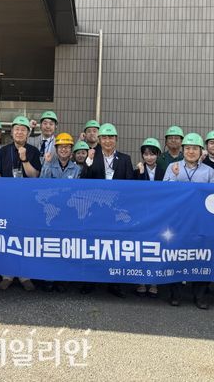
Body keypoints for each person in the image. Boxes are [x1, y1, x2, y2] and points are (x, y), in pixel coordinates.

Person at [163, 133, 214, 308]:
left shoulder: (209, 171)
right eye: (187, 148)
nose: (191, 151)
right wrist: (175, 177)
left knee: (201, 255)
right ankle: (175, 294)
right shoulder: (172, 167)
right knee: (176, 254)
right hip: (177, 219)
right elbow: (164, 192)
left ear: (201, 151)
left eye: (195, 148)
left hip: (201, 220)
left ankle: (200, 296)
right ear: (183, 150)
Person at [80, 123, 133, 298]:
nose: (108, 141)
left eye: (111, 137)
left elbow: (130, 185)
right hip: (95, 210)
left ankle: (114, 283)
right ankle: (89, 281)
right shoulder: (92, 156)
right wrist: (88, 161)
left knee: (114, 247)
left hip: (116, 211)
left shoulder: (125, 159)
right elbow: (83, 181)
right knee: (93, 246)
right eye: (104, 138)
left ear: (116, 139)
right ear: (99, 140)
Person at [0, 116, 42, 291]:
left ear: (28, 133)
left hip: (27, 202)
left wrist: (24, 159)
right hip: (7, 202)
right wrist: (0, 195)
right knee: (6, 237)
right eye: (17, 129)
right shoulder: (3, 151)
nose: (19, 132)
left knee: (25, 237)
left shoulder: (33, 151)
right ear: (12, 132)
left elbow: (34, 175)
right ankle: (7, 275)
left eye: (23, 129)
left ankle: (25, 276)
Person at [39, 132, 79, 293]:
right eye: (61, 147)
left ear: (71, 150)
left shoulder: (76, 169)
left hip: (68, 214)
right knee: (50, 247)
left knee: (66, 247)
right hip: (51, 212)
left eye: (67, 147)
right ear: (56, 149)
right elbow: (42, 185)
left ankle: (63, 279)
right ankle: (48, 279)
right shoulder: (49, 164)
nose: (64, 150)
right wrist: (47, 164)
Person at [133, 137, 163, 298]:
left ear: (158, 155)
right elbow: (134, 191)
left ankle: (154, 283)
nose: (149, 157)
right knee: (141, 247)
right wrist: (140, 173)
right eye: (146, 154)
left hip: (159, 214)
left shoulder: (164, 170)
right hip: (141, 214)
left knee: (156, 248)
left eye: (152, 154)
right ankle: (141, 282)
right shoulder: (137, 170)